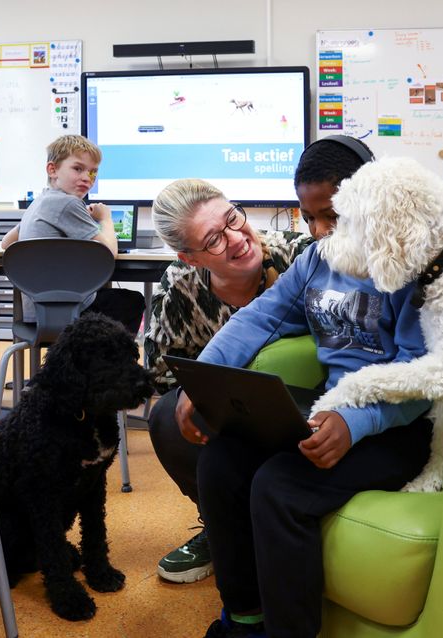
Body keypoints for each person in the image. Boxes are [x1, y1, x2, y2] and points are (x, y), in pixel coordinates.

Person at [178, 137, 434, 637]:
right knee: (222, 461)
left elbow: (420, 375)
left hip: (398, 426)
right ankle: (246, 619)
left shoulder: (411, 265)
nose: (319, 231)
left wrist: (354, 422)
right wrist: (203, 377)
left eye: (331, 216)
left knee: (279, 486)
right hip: (333, 411)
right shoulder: (315, 260)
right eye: (309, 217)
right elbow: (261, 317)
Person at [144, 179, 313, 584]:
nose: (237, 239)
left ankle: (275, 524)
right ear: (192, 257)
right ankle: (220, 524)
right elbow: (160, 367)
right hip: (227, 411)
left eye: (233, 219)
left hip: (300, 400)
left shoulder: (300, 256)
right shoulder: (179, 287)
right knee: (166, 417)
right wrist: (196, 392)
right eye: (214, 240)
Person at [0, 134, 144, 334]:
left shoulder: (40, 201)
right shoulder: (69, 203)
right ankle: (108, 364)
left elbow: (6, 243)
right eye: (78, 169)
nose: (87, 178)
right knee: (132, 301)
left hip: (37, 312)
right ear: (52, 170)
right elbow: (109, 254)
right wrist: (105, 219)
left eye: (93, 172)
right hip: (71, 311)